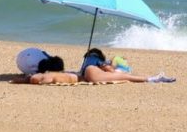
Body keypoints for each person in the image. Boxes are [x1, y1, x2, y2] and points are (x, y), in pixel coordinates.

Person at [19, 47, 175, 84]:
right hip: (91, 73)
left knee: (121, 75)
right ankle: (152, 79)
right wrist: (112, 68)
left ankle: (152, 79)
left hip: (86, 74)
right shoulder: (95, 60)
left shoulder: (88, 61)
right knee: (123, 75)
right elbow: (107, 69)